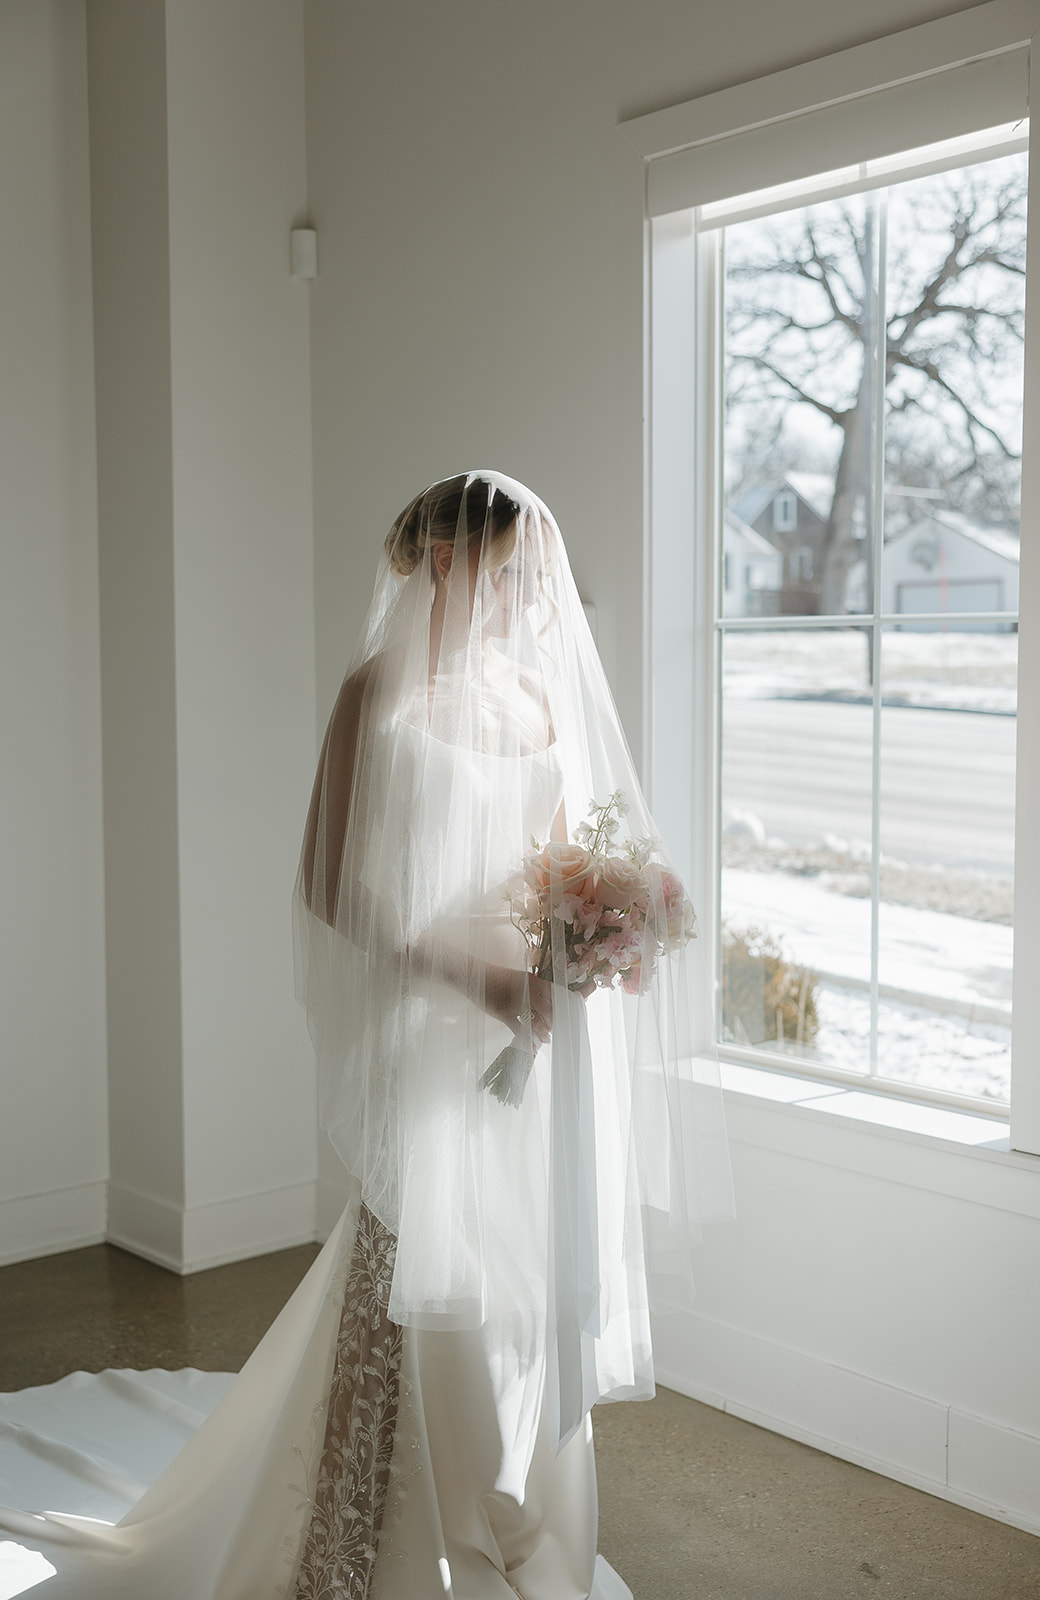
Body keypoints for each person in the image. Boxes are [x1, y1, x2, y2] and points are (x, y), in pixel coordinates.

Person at [0, 471, 731, 1599]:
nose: (530, 594)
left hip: (524, 1029)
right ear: (445, 557)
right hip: (428, 1021)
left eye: (537, 574)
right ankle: (394, 1539)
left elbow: (553, 867)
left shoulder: (538, 699)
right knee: (421, 1268)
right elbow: (330, 887)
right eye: (510, 570)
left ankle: (519, 1507)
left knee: (515, 1281)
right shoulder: (375, 690)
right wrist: (476, 977)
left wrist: (590, 938)